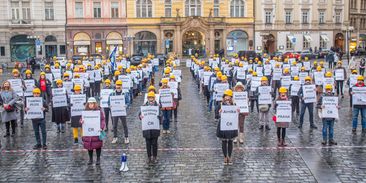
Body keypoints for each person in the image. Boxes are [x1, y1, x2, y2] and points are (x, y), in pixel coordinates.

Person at [80, 97, 106, 165]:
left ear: (95, 104)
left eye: (92, 104)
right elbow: (81, 119)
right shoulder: (85, 112)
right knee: (89, 146)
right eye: (89, 104)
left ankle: (98, 159)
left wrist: (101, 127)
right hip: (88, 132)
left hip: (96, 131)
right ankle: (90, 159)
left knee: (98, 146)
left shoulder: (99, 111)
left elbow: (102, 120)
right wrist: (81, 121)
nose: (91, 105)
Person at [216, 89, 238, 165]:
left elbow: (236, 116)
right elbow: (216, 115)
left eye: (229, 97)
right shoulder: (220, 104)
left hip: (231, 126)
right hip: (223, 125)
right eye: (226, 96)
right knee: (224, 141)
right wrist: (219, 113)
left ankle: (230, 156)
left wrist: (237, 111)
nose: (227, 98)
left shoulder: (234, 105)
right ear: (224, 97)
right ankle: (225, 157)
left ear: (231, 97)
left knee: (230, 141)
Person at [139, 92, 161, 164]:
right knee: (148, 144)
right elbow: (140, 114)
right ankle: (149, 157)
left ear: (154, 98)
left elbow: (161, 115)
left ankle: (155, 156)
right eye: (150, 98)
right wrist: (140, 116)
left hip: (155, 128)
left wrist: (159, 116)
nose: (151, 99)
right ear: (148, 98)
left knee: (154, 143)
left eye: (152, 98)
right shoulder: (144, 106)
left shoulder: (158, 106)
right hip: (147, 129)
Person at [109, 80, 130, 144]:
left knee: (124, 125)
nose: (118, 86)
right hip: (115, 112)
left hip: (122, 112)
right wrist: (110, 106)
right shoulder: (112, 94)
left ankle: (126, 137)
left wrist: (125, 106)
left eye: (120, 85)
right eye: (117, 85)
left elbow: (128, 102)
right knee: (114, 125)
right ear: (115, 85)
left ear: (121, 86)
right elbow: (108, 102)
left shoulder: (125, 93)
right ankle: (115, 137)